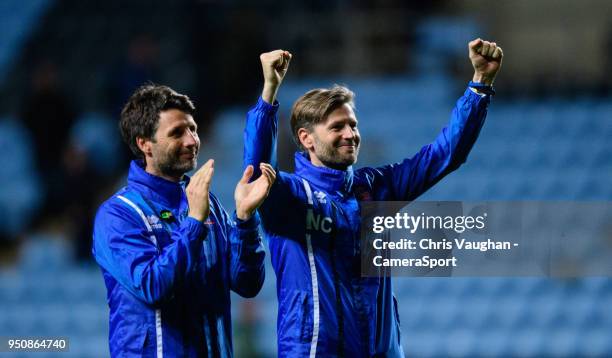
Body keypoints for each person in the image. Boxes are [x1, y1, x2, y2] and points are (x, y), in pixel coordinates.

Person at [243, 38, 503, 357]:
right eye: (337, 127)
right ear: (306, 138)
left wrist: (480, 84)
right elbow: (254, 177)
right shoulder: (291, 196)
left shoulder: (375, 187)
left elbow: (444, 155)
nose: (350, 134)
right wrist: (269, 93)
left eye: (353, 125)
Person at [93, 84, 276, 357]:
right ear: (145, 144)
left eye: (193, 129)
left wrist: (245, 219)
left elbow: (246, 284)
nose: (192, 140)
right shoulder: (119, 214)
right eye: (177, 133)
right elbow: (153, 286)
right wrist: (193, 224)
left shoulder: (206, 203)